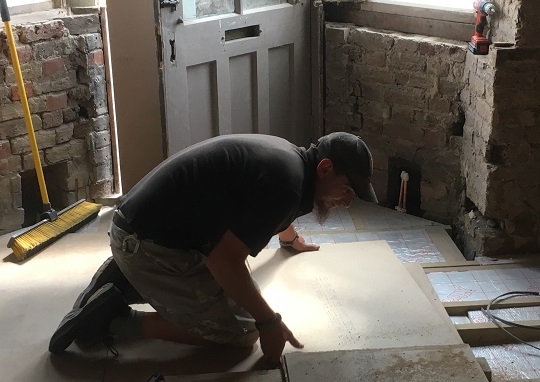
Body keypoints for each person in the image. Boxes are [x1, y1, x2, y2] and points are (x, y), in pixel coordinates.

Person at [49, 132, 378, 365]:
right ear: (325, 168)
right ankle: (113, 318)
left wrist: (288, 239)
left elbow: (267, 209)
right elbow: (224, 261)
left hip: (143, 226)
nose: (347, 202)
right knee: (240, 334)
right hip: (145, 242)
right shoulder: (287, 186)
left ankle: (127, 279)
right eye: (347, 189)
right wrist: (268, 322)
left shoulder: (290, 162)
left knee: (241, 294)